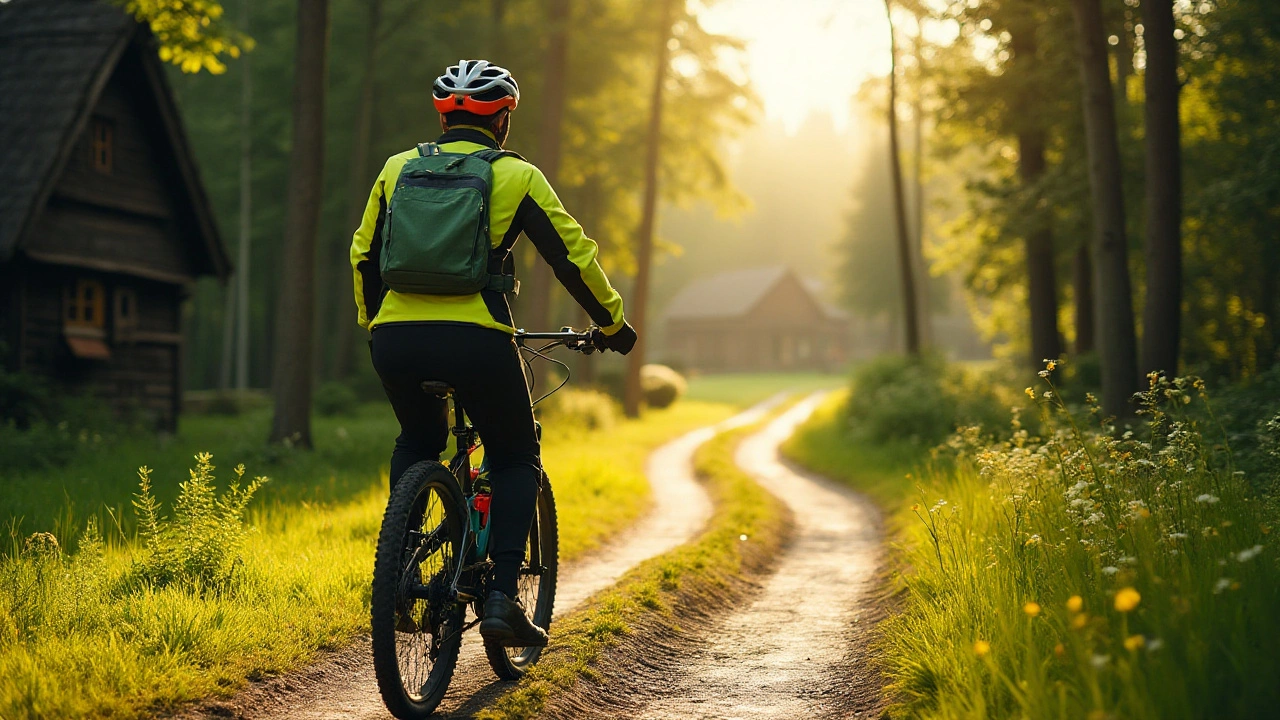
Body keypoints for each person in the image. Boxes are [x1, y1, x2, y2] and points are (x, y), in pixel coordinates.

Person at [349, 59, 636, 648]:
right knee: (512, 453)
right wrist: (611, 321)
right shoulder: (517, 175)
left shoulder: (397, 168)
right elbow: (571, 256)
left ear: (443, 116)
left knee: (417, 441)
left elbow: (363, 255)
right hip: (477, 338)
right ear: (502, 119)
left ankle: (398, 572)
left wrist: (375, 322)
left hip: (396, 339)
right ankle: (503, 596)